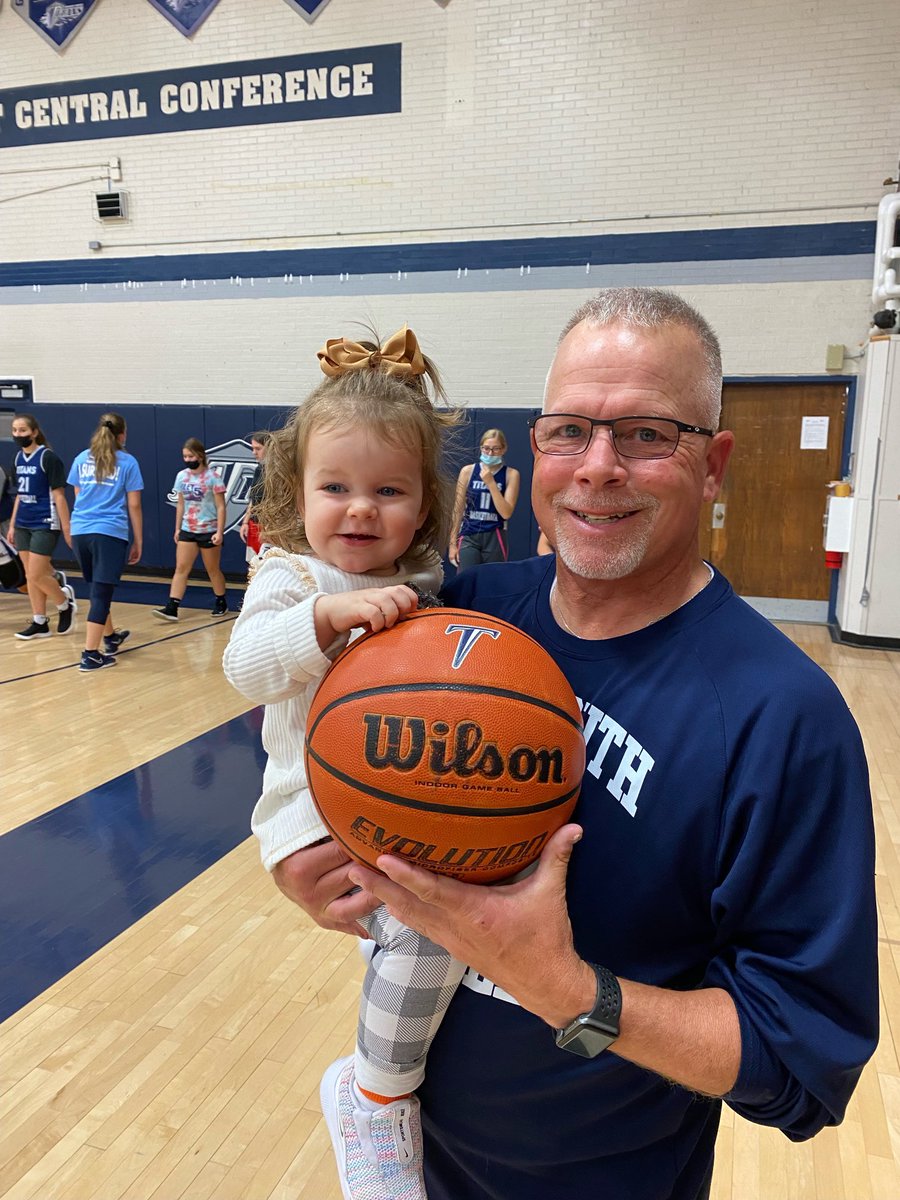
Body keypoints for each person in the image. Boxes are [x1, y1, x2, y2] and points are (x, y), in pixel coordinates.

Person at [267, 289, 879, 1200]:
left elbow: (799, 1061)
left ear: (713, 466)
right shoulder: (460, 610)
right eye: (569, 432)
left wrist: (568, 989)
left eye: (645, 435)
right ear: (535, 445)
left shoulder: (782, 717)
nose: (598, 468)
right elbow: (305, 715)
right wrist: (304, 853)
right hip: (415, 1163)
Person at [223, 325, 465, 1200]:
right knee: (432, 931)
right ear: (297, 490)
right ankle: (373, 1096)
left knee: (449, 925)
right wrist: (325, 624)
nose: (359, 510)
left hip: (396, 808)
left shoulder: (431, 581)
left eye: (387, 490)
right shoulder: (290, 580)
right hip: (306, 815)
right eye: (336, 487)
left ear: (424, 506)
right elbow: (242, 668)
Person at [68, 412, 143, 671]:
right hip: (109, 532)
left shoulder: (81, 458)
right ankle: (90, 654)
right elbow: (134, 504)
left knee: (98, 588)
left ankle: (110, 637)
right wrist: (138, 540)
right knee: (100, 593)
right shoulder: (128, 462)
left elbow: (78, 496)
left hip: (80, 532)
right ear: (122, 435)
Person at [7, 413, 76, 639]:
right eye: (15, 431)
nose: (19, 435)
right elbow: (19, 495)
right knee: (30, 575)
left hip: (46, 521)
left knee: (36, 574)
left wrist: (67, 528)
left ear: (34, 432)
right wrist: (12, 524)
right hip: (23, 523)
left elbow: (60, 496)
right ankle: (40, 621)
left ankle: (64, 604)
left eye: (23, 431)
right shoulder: (17, 459)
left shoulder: (48, 458)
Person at [153, 438, 229, 622]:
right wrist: (177, 528)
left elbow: (220, 506)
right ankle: (172, 606)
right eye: (185, 456)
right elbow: (180, 504)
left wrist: (220, 531)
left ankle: (221, 600)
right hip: (188, 528)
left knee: (212, 569)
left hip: (208, 529)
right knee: (181, 567)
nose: (187, 459)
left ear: (200, 455)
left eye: (190, 455)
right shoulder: (182, 476)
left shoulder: (213, 478)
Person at [448, 428, 520, 569]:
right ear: (481, 448)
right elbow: (458, 509)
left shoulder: (511, 474)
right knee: (466, 580)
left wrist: (491, 483)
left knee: (492, 582)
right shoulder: (468, 471)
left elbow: (506, 513)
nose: (490, 453)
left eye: (495, 449)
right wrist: (452, 544)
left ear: (504, 449)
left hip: (495, 534)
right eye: (486, 448)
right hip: (469, 533)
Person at [238, 430, 270, 564]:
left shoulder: (279, 472)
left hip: (269, 527)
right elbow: (253, 499)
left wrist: (269, 529)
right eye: (252, 448)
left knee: (267, 564)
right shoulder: (259, 469)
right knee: (253, 565)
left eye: (258, 448)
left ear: (269, 448)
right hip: (254, 524)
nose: (254, 452)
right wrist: (246, 522)